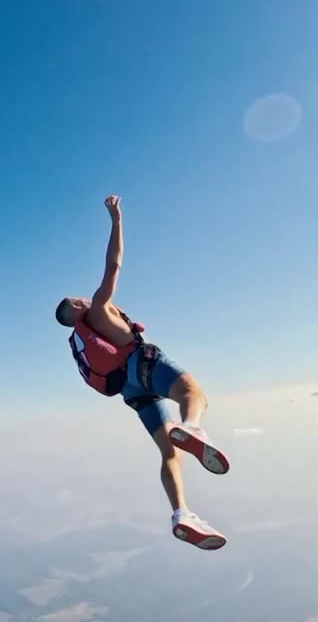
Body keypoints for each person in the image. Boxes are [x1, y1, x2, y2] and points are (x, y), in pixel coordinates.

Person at [55, 195, 230, 551]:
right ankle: (192, 425)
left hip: (131, 392)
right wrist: (116, 219)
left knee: (170, 454)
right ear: (76, 305)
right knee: (193, 394)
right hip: (143, 364)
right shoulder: (98, 309)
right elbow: (114, 264)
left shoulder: (81, 341)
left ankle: (181, 513)